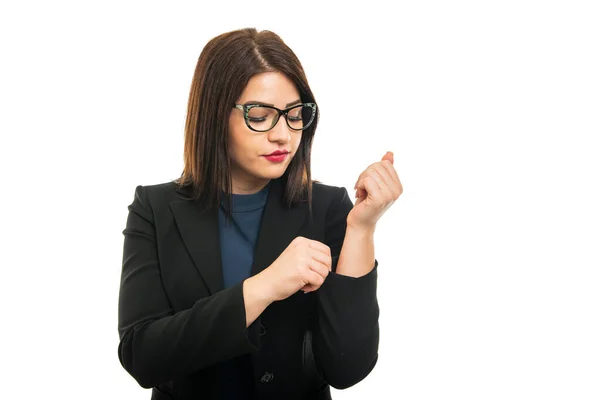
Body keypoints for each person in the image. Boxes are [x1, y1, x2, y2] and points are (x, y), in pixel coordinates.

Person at [117, 27, 403, 400]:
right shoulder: (154, 209)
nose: (284, 135)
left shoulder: (330, 209)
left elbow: (348, 367)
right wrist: (266, 286)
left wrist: (363, 229)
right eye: (261, 115)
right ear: (215, 115)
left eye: (294, 114)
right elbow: (143, 356)